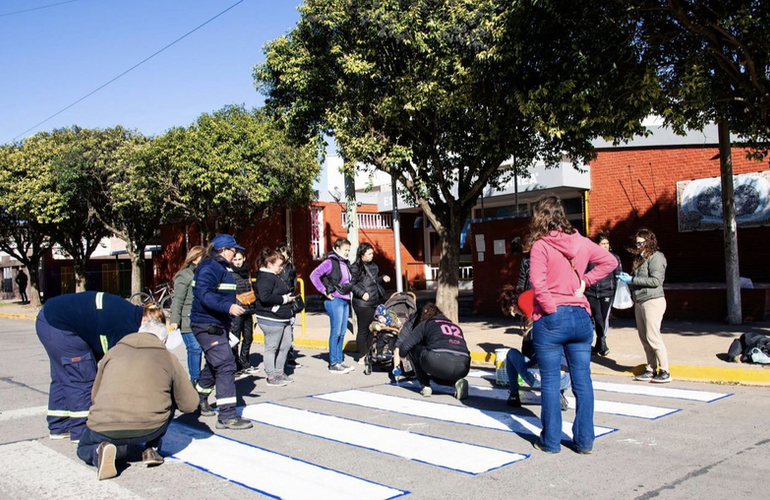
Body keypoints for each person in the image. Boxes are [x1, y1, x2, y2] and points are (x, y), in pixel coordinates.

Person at [527, 195, 617, 454]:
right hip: (580, 316)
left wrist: (551, 309)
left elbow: (538, 283)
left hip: (551, 317)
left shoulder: (541, 246)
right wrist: (585, 282)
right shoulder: (582, 242)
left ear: (541, 216)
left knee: (551, 382)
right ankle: (584, 441)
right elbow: (609, 262)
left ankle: (551, 441)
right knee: (582, 381)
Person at [76, 306, 199, 480]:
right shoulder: (168, 358)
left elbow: (95, 395)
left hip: (105, 425)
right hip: (149, 427)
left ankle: (100, 451)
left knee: (83, 448)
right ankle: (151, 448)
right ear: (163, 341)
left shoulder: (112, 353)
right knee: (171, 395)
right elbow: (190, 404)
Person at [35, 291, 144, 442]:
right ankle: (82, 432)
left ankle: (59, 426)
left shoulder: (126, 311)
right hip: (60, 326)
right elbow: (113, 359)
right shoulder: (126, 326)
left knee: (63, 375)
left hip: (47, 319)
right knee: (82, 377)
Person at [191, 234, 252, 430]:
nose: (236, 253)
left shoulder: (220, 267)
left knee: (214, 362)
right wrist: (228, 307)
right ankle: (227, 416)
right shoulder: (210, 267)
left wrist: (231, 311)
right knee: (226, 363)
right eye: (233, 250)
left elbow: (218, 294)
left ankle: (198, 398)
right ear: (224, 250)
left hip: (218, 324)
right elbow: (205, 294)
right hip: (207, 324)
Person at [618, 228, 671, 383]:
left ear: (649, 242)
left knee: (653, 336)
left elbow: (656, 281)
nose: (638, 245)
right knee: (644, 337)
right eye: (637, 242)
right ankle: (651, 367)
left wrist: (632, 280)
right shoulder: (640, 258)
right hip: (640, 301)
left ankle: (665, 370)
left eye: (641, 242)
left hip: (652, 301)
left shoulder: (656, 257)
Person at [394, 303, 471, 400]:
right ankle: (455, 382)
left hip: (438, 360)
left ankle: (425, 386)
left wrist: (403, 358)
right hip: (464, 366)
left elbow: (405, 346)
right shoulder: (455, 326)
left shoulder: (426, 324)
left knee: (414, 348)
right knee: (442, 369)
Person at [310, 238, 355, 374]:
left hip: (345, 299)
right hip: (334, 300)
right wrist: (324, 291)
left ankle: (339, 360)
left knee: (342, 332)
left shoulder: (345, 263)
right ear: (337, 248)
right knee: (336, 331)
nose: (347, 252)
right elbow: (314, 275)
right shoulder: (330, 262)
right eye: (345, 250)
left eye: (348, 250)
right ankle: (333, 362)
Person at [254, 248, 296, 387]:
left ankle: (279, 371)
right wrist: (284, 299)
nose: (281, 268)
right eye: (279, 265)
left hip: (283, 317)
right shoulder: (265, 277)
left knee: (286, 344)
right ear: (269, 264)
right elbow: (265, 297)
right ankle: (271, 375)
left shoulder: (274, 276)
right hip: (271, 318)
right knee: (272, 347)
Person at [168, 245, 206, 385]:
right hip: (187, 319)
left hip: (201, 317)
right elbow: (178, 299)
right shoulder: (184, 275)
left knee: (200, 348)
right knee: (194, 348)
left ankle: (200, 378)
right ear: (195, 259)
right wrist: (174, 320)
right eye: (204, 258)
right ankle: (194, 380)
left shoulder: (203, 273)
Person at [350, 243, 391, 365]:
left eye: (372, 253)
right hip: (362, 303)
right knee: (363, 329)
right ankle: (362, 356)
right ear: (362, 255)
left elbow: (373, 282)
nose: (372, 256)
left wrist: (382, 279)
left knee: (371, 329)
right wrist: (362, 293)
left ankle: (369, 354)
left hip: (374, 301)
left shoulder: (374, 266)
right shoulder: (355, 267)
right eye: (369, 254)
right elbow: (352, 284)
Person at [585, 232, 623, 357]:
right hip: (592, 292)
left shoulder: (614, 258)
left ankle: (601, 342)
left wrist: (617, 292)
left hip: (607, 291)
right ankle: (600, 343)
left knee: (604, 317)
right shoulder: (590, 258)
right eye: (603, 244)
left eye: (607, 244)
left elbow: (618, 276)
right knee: (597, 317)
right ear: (597, 245)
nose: (605, 246)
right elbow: (584, 274)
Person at [230, 250, 257, 376]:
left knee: (248, 337)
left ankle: (244, 361)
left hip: (248, 307)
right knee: (235, 338)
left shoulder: (247, 272)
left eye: (239, 259)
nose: (237, 262)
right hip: (237, 309)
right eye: (235, 260)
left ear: (244, 259)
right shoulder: (229, 273)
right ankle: (235, 365)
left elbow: (250, 287)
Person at [277, 243, 302, 369]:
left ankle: (290, 356)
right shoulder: (275, 267)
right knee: (279, 331)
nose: (282, 255)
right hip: (278, 301)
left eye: (284, 253)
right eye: (280, 252)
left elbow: (294, 283)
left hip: (290, 301)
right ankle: (278, 357)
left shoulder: (291, 267)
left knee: (290, 329)